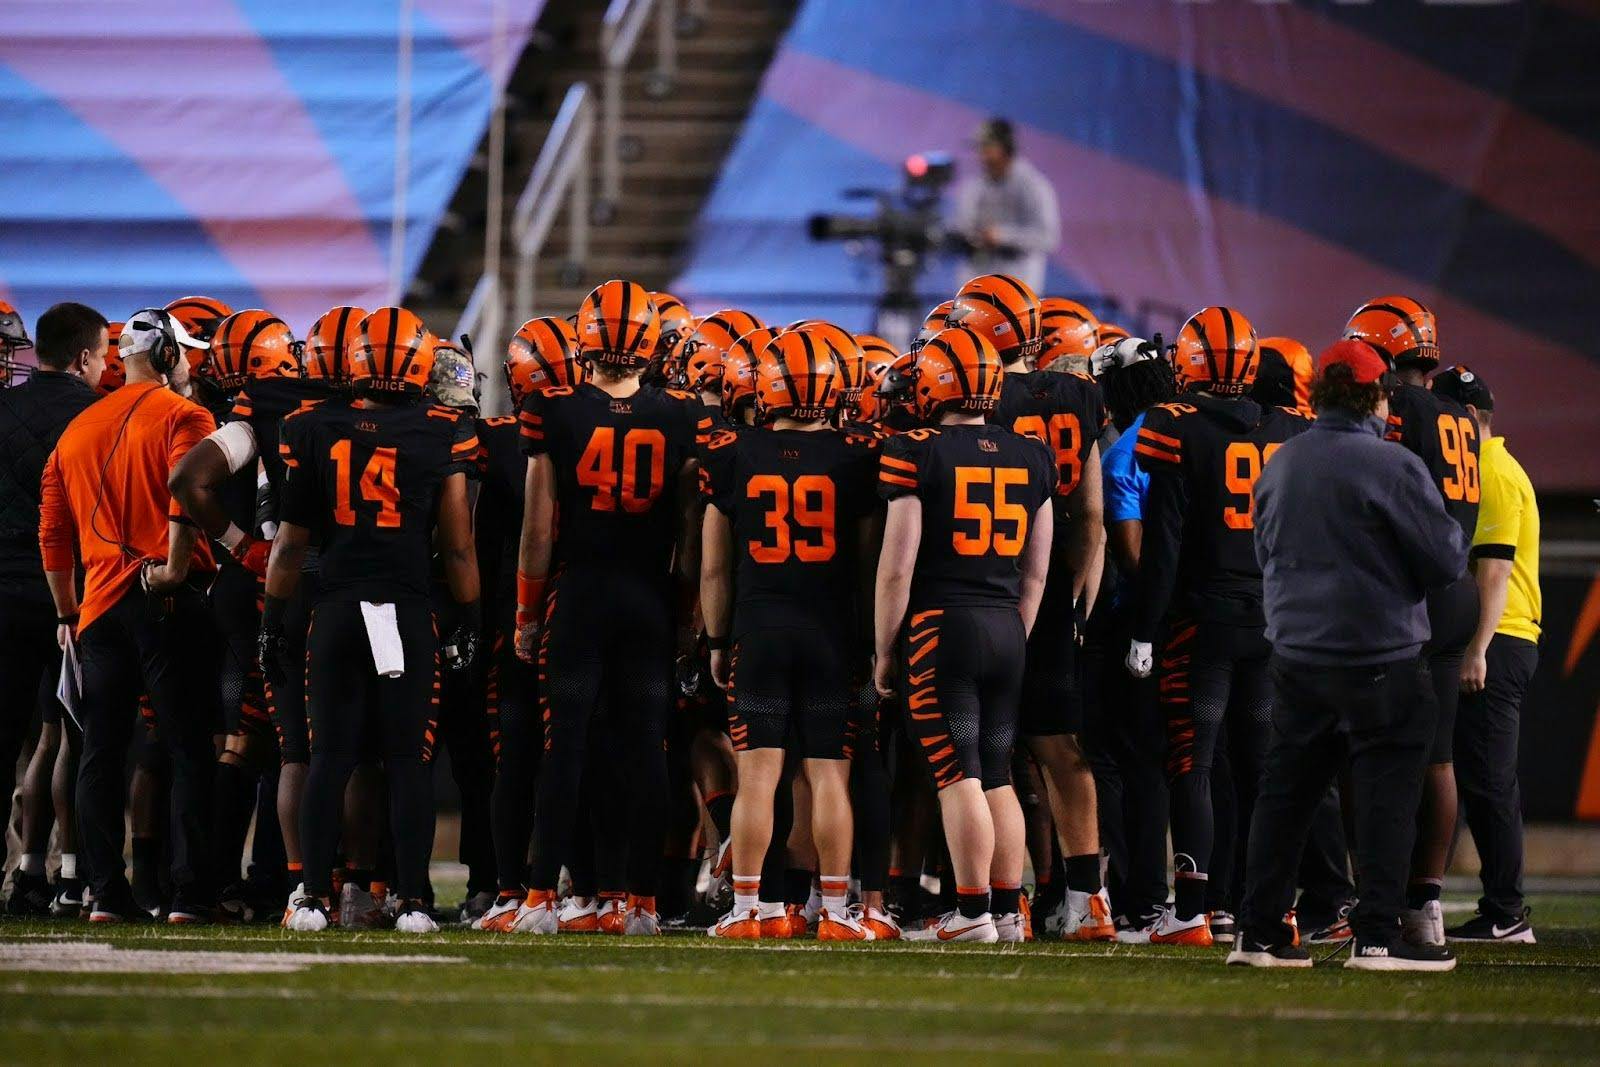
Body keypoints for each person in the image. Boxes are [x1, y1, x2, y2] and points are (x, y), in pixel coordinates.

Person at [1236, 339, 1465, 972]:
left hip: (1297, 657)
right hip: (1378, 655)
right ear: (1374, 395)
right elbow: (1446, 561)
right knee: (1387, 797)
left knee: (1285, 797)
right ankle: (1375, 935)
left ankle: (1258, 934)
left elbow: (1266, 554)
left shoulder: (1281, 463)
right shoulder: (1389, 464)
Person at [267, 307, 481, 934]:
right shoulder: (440, 430)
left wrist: (273, 619)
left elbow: (287, 545)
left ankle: (309, 897)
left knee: (330, 756)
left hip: (334, 608)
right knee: (406, 759)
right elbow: (459, 545)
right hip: (405, 610)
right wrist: (468, 618)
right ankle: (412, 901)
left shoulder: (309, 426)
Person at [512, 280, 702, 936]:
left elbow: (538, 528)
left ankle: (541, 898)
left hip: (582, 593)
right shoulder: (681, 414)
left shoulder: (553, 408)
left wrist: (526, 613)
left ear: (584, 338)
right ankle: (642, 903)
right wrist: (687, 610)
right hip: (648, 596)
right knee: (646, 749)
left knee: (563, 746)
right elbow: (688, 527)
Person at [1126, 307, 1310, 947]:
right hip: (1271, 620)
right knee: (1261, 769)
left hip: (1201, 624)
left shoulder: (1176, 426)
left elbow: (1166, 543)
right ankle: (1266, 906)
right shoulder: (1288, 428)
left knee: (1195, 765)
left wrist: (1145, 629)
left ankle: (1194, 910)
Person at [874, 325, 1056, 943]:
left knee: (959, 774)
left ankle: (973, 911)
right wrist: (1017, 632)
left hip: (941, 626)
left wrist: (883, 648)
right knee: (998, 770)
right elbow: (1037, 570)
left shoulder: (916, 450)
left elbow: (898, 566)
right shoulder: (1032, 453)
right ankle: (1007, 912)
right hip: (1006, 624)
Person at [700, 326, 882, 941]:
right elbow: (866, 564)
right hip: (832, 632)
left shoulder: (732, 454)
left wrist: (717, 641)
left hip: (761, 628)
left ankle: (751, 910)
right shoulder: (858, 456)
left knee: (758, 777)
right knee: (830, 774)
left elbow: (714, 567)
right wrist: (868, 639)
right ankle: (832, 911)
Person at [38, 308, 220, 922]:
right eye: (186, 351)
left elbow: (53, 536)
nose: (192, 362)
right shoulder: (185, 414)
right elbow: (184, 487)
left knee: (100, 753)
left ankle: (104, 895)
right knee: (187, 748)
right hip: (163, 595)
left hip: (96, 610)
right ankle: (190, 895)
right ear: (167, 354)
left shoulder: (77, 429)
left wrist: (69, 611)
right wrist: (172, 567)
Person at [963, 274, 1112, 940]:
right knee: (1061, 748)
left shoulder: (983, 395)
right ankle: (1087, 897)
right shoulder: (1084, 395)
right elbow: (1093, 516)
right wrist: (1080, 594)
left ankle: (1002, 901)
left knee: (989, 754)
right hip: (1053, 591)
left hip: (986, 583)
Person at [474, 317, 584, 932]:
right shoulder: (608, 429)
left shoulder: (494, 442)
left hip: (517, 619)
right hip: (583, 615)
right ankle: (597, 888)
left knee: (516, 760)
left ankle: (514, 889)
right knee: (578, 754)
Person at [1431, 365, 1542, 944]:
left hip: (1499, 639)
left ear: (1468, 419)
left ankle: (1507, 911)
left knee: (1490, 780)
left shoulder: (1492, 471)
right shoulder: (1494, 466)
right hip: (1499, 638)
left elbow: (1494, 569)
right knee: (1479, 776)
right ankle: (1495, 905)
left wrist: (1477, 648)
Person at [1, 302, 104, 916]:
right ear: (85, 356)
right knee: (80, 741)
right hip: (79, 598)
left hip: (5, 595)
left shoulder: (5, 407)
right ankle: (75, 876)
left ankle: (25, 875)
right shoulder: (99, 415)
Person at [1088, 335, 1176, 941]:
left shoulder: (1124, 453)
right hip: (1217, 614)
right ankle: (1205, 898)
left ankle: (1138, 896)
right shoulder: (1197, 434)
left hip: (1138, 621)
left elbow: (1133, 556)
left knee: (1121, 760)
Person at [949, 118, 1060, 293]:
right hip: (978, 285)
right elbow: (961, 226)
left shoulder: (1033, 186)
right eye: (980, 148)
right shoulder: (974, 186)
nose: (982, 154)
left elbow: (1047, 238)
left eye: (987, 147)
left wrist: (1002, 236)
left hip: (1019, 287)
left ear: (1005, 148)